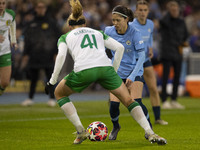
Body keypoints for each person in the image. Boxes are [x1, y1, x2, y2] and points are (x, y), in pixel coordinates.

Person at [45, 0, 166, 145]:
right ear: (84, 24)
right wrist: (113, 72)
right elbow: (119, 48)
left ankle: (81, 131)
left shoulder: (65, 37)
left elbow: (62, 57)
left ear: (69, 26)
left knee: (59, 93)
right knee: (129, 100)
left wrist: (52, 81)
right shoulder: (97, 32)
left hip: (84, 70)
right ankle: (151, 133)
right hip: (105, 69)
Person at [105, 5, 153, 140]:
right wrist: (109, 63)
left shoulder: (135, 32)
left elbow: (142, 56)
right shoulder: (108, 31)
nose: (114, 23)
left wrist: (132, 75)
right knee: (113, 104)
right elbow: (100, 48)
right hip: (117, 73)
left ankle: (149, 130)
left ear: (126, 19)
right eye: (113, 20)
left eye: (118, 20)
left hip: (135, 70)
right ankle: (116, 126)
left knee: (136, 101)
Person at [130, 0, 168, 125]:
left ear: (148, 12)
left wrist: (150, 47)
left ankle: (157, 118)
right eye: (140, 10)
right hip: (133, 63)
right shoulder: (131, 26)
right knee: (131, 94)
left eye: (145, 10)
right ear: (136, 12)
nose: (142, 12)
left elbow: (150, 37)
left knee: (153, 88)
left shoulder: (150, 24)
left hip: (146, 61)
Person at [20, 0, 60, 107]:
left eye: (43, 7)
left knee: (50, 78)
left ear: (45, 9)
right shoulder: (31, 23)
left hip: (48, 56)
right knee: (33, 79)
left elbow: (58, 39)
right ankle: (30, 98)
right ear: (36, 9)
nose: (41, 9)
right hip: (34, 55)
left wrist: (57, 53)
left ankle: (52, 98)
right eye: (39, 7)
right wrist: (25, 54)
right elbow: (27, 40)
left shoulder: (52, 23)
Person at [159, 0, 188, 109]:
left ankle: (174, 99)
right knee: (165, 77)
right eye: (172, 9)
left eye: (176, 9)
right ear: (169, 10)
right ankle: (165, 100)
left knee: (177, 76)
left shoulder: (181, 22)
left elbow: (186, 35)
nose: (175, 11)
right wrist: (168, 12)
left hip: (177, 52)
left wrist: (182, 44)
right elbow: (162, 21)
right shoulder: (165, 21)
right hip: (167, 52)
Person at [0, 0, 17, 95]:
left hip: (4, 51)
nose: (1, 6)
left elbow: (12, 24)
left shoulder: (10, 14)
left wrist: (13, 40)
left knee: (5, 82)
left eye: (3, 3)